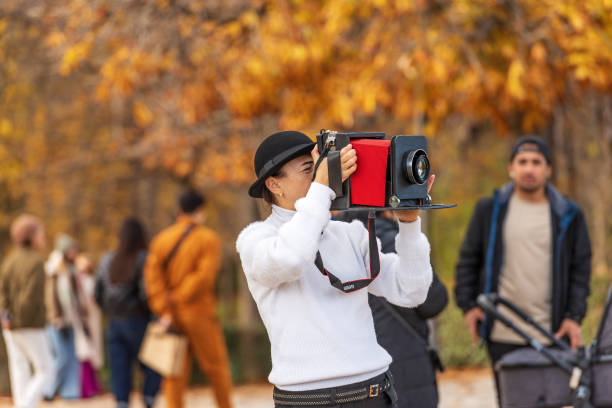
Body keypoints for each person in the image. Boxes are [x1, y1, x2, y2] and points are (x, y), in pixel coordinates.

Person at [236, 131, 434, 407]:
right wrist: (321, 188)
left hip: (373, 393)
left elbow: (411, 291)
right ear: (274, 185)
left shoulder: (348, 234)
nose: (323, 175)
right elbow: (293, 258)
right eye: (310, 169)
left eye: (320, 166)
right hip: (307, 400)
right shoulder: (256, 240)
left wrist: (410, 224)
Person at [454, 135, 592, 403]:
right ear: (511, 168)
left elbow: (580, 270)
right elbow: (468, 261)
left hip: (552, 334)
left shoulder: (568, 215)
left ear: (548, 169)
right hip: (503, 332)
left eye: (536, 162)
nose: (529, 168)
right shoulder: (489, 210)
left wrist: (574, 317)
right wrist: (469, 306)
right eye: (523, 162)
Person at [335, 210, 448, 408]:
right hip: (405, 361)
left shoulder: (334, 241)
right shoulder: (390, 238)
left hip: (358, 369)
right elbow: (434, 301)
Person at [144, 191, 233, 408]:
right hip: (199, 313)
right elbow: (203, 277)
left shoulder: (160, 241)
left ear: (178, 212)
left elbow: (152, 280)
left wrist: (165, 307)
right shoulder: (208, 239)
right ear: (200, 211)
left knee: (174, 372)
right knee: (216, 368)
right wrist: (178, 298)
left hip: (170, 317)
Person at [95, 217, 161, 408]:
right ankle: (148, 398)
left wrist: (108, 311)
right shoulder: (144, 258)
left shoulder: (107, 259)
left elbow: (97, 292)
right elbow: (146, 292)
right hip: (139, 320)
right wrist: (153, 316)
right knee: (153, 363)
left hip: (114, 322)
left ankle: (122, 402)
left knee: (119, 368)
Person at [0, 214, 54, 408]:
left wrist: (6, 317)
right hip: (29, 323)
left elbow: (2, 294)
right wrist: (18, 320)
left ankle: (23, 403)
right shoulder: (36, 263)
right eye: (40, 233)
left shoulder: (9, 261)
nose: (43, 237)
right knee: (46, 369)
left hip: (9, 325)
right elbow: (30, 298)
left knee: (19, 369)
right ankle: (25, 405)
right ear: (30, 236)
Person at [44, 234, 89, 401]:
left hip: (72, 320)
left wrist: (83, 320)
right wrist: (57, 319)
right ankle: (48, 390)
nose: (74, 253)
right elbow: (51, 297)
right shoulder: (54, 271)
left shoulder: (71, 270)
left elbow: (76, 298)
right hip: (57, 321)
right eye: (71, 250)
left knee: (72, 356)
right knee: (61, 356)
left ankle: (70, 392)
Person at [74, 255, 102, 398]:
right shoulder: (80, 282)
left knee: (90, 354)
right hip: (84, 322)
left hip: (90, 321)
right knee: (86, 353)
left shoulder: (90, 282)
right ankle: (87, 388)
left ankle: (92, 387)